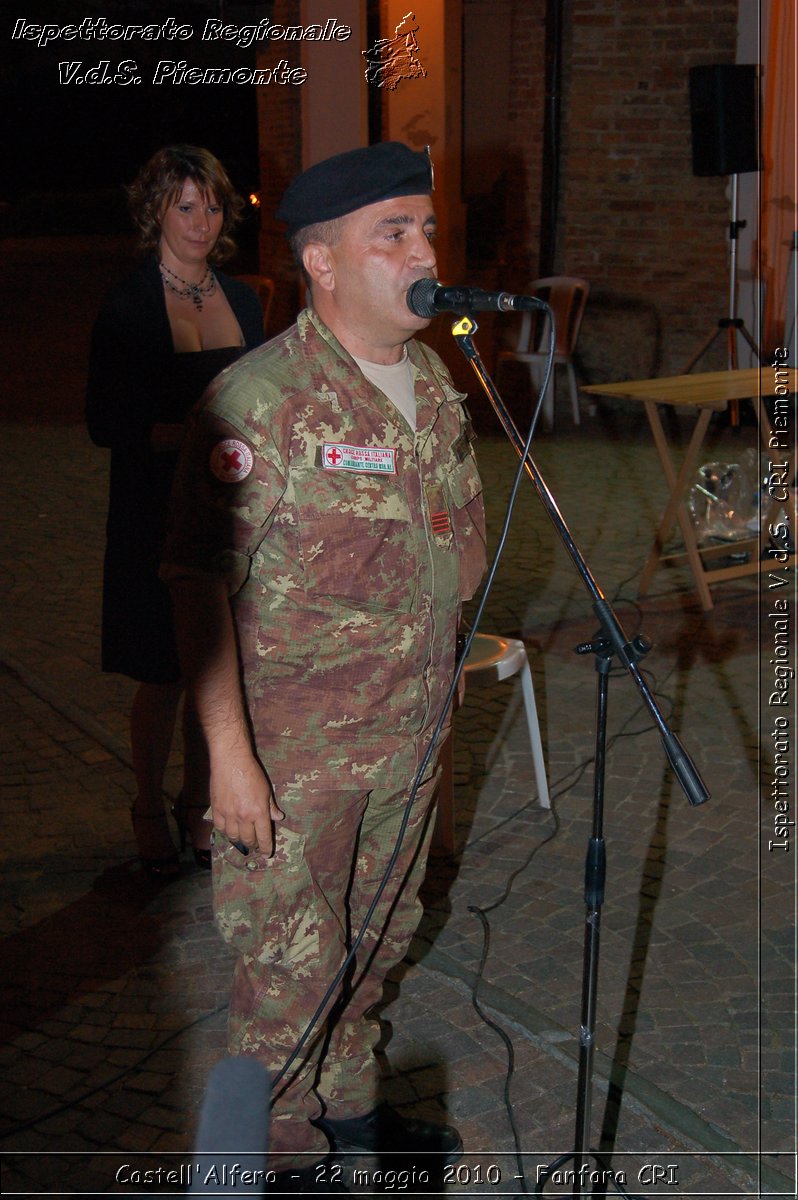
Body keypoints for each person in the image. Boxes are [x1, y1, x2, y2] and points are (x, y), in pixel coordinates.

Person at [161, 142, 486, 1184]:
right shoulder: (259, 403)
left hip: (410, 739)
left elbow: (459, 555)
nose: (422, 250)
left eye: (425, 228)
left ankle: (346, 1111)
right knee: (290, 973)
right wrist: (229, 761)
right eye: (392, 232)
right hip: (294, 761)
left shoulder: (434, 387)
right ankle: (277, 1153)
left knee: (382, 940)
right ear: (325, 263)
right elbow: (194, 584)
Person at [86, 145, 264, 877]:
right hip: (153, 509)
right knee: (162, 672)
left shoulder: (246, 299)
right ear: (156, 209)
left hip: (230, 510)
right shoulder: (126, 307)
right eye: (185, 205)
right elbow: (103, 422)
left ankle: (201, 801)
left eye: (212, 205)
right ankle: (146, 803)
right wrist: (183, 435)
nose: (200, 220)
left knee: (217, 668)